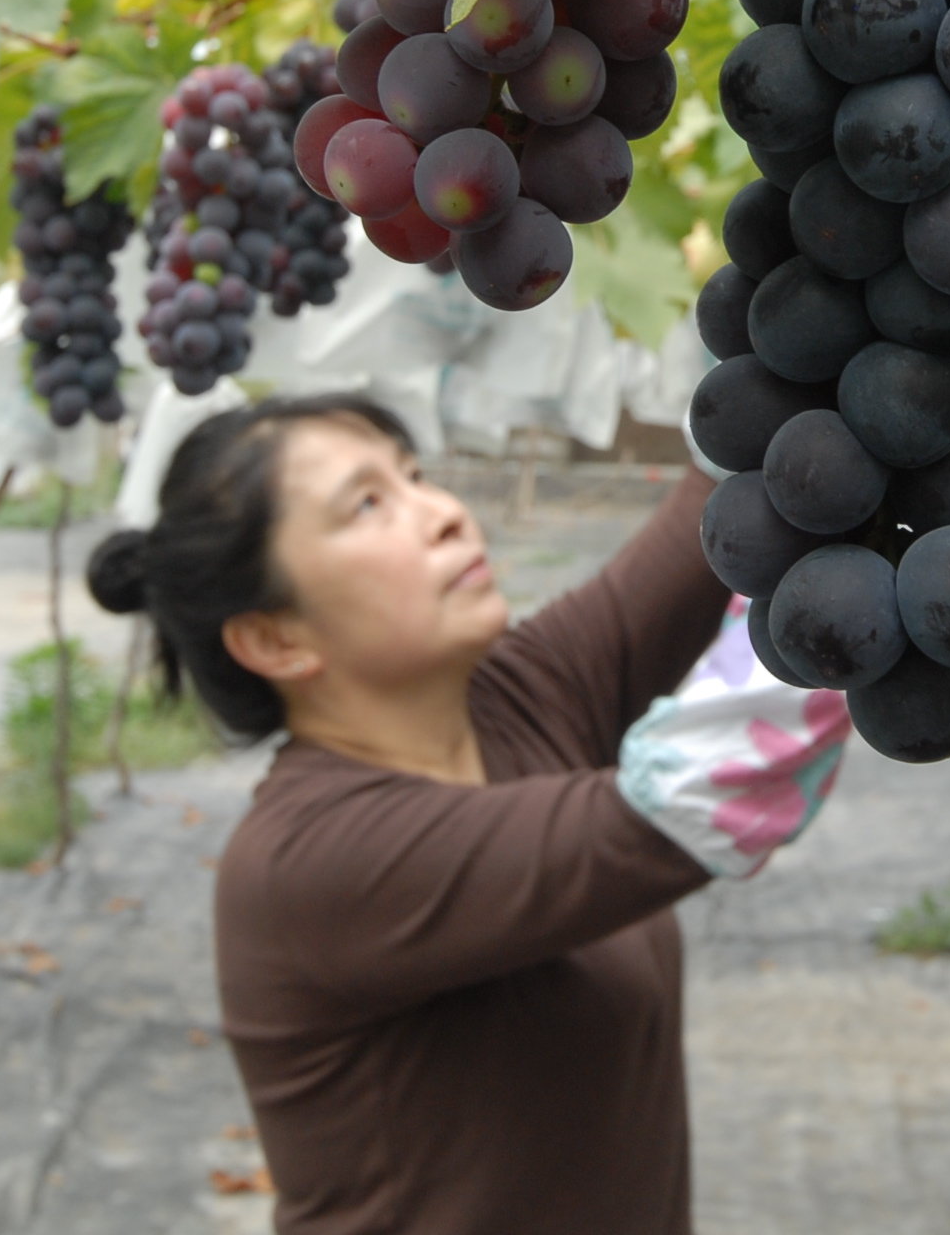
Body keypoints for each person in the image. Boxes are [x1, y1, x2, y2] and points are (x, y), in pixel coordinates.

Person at [88, 394, 840, 1235]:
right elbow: (714, 786)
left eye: (415, 478)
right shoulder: (307, 863)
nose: (444, 513)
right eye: (367, 504)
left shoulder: (521, 699)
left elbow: (725, 495)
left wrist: (801, 321)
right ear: (274, 640)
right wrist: (861, 577)